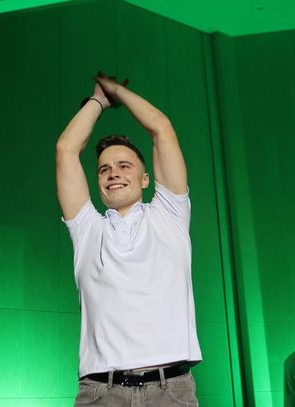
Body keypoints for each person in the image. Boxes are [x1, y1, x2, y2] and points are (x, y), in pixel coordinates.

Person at [55, 72, 203, 406]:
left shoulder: (170, 213)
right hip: (101, 393)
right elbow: (66, 149)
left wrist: (116, 91)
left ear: (145, 178)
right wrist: (98, 101)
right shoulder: (87, 229)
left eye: (124, 166)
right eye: (104, 169)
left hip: (171, 391)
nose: (113, 173)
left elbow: (161, 128)